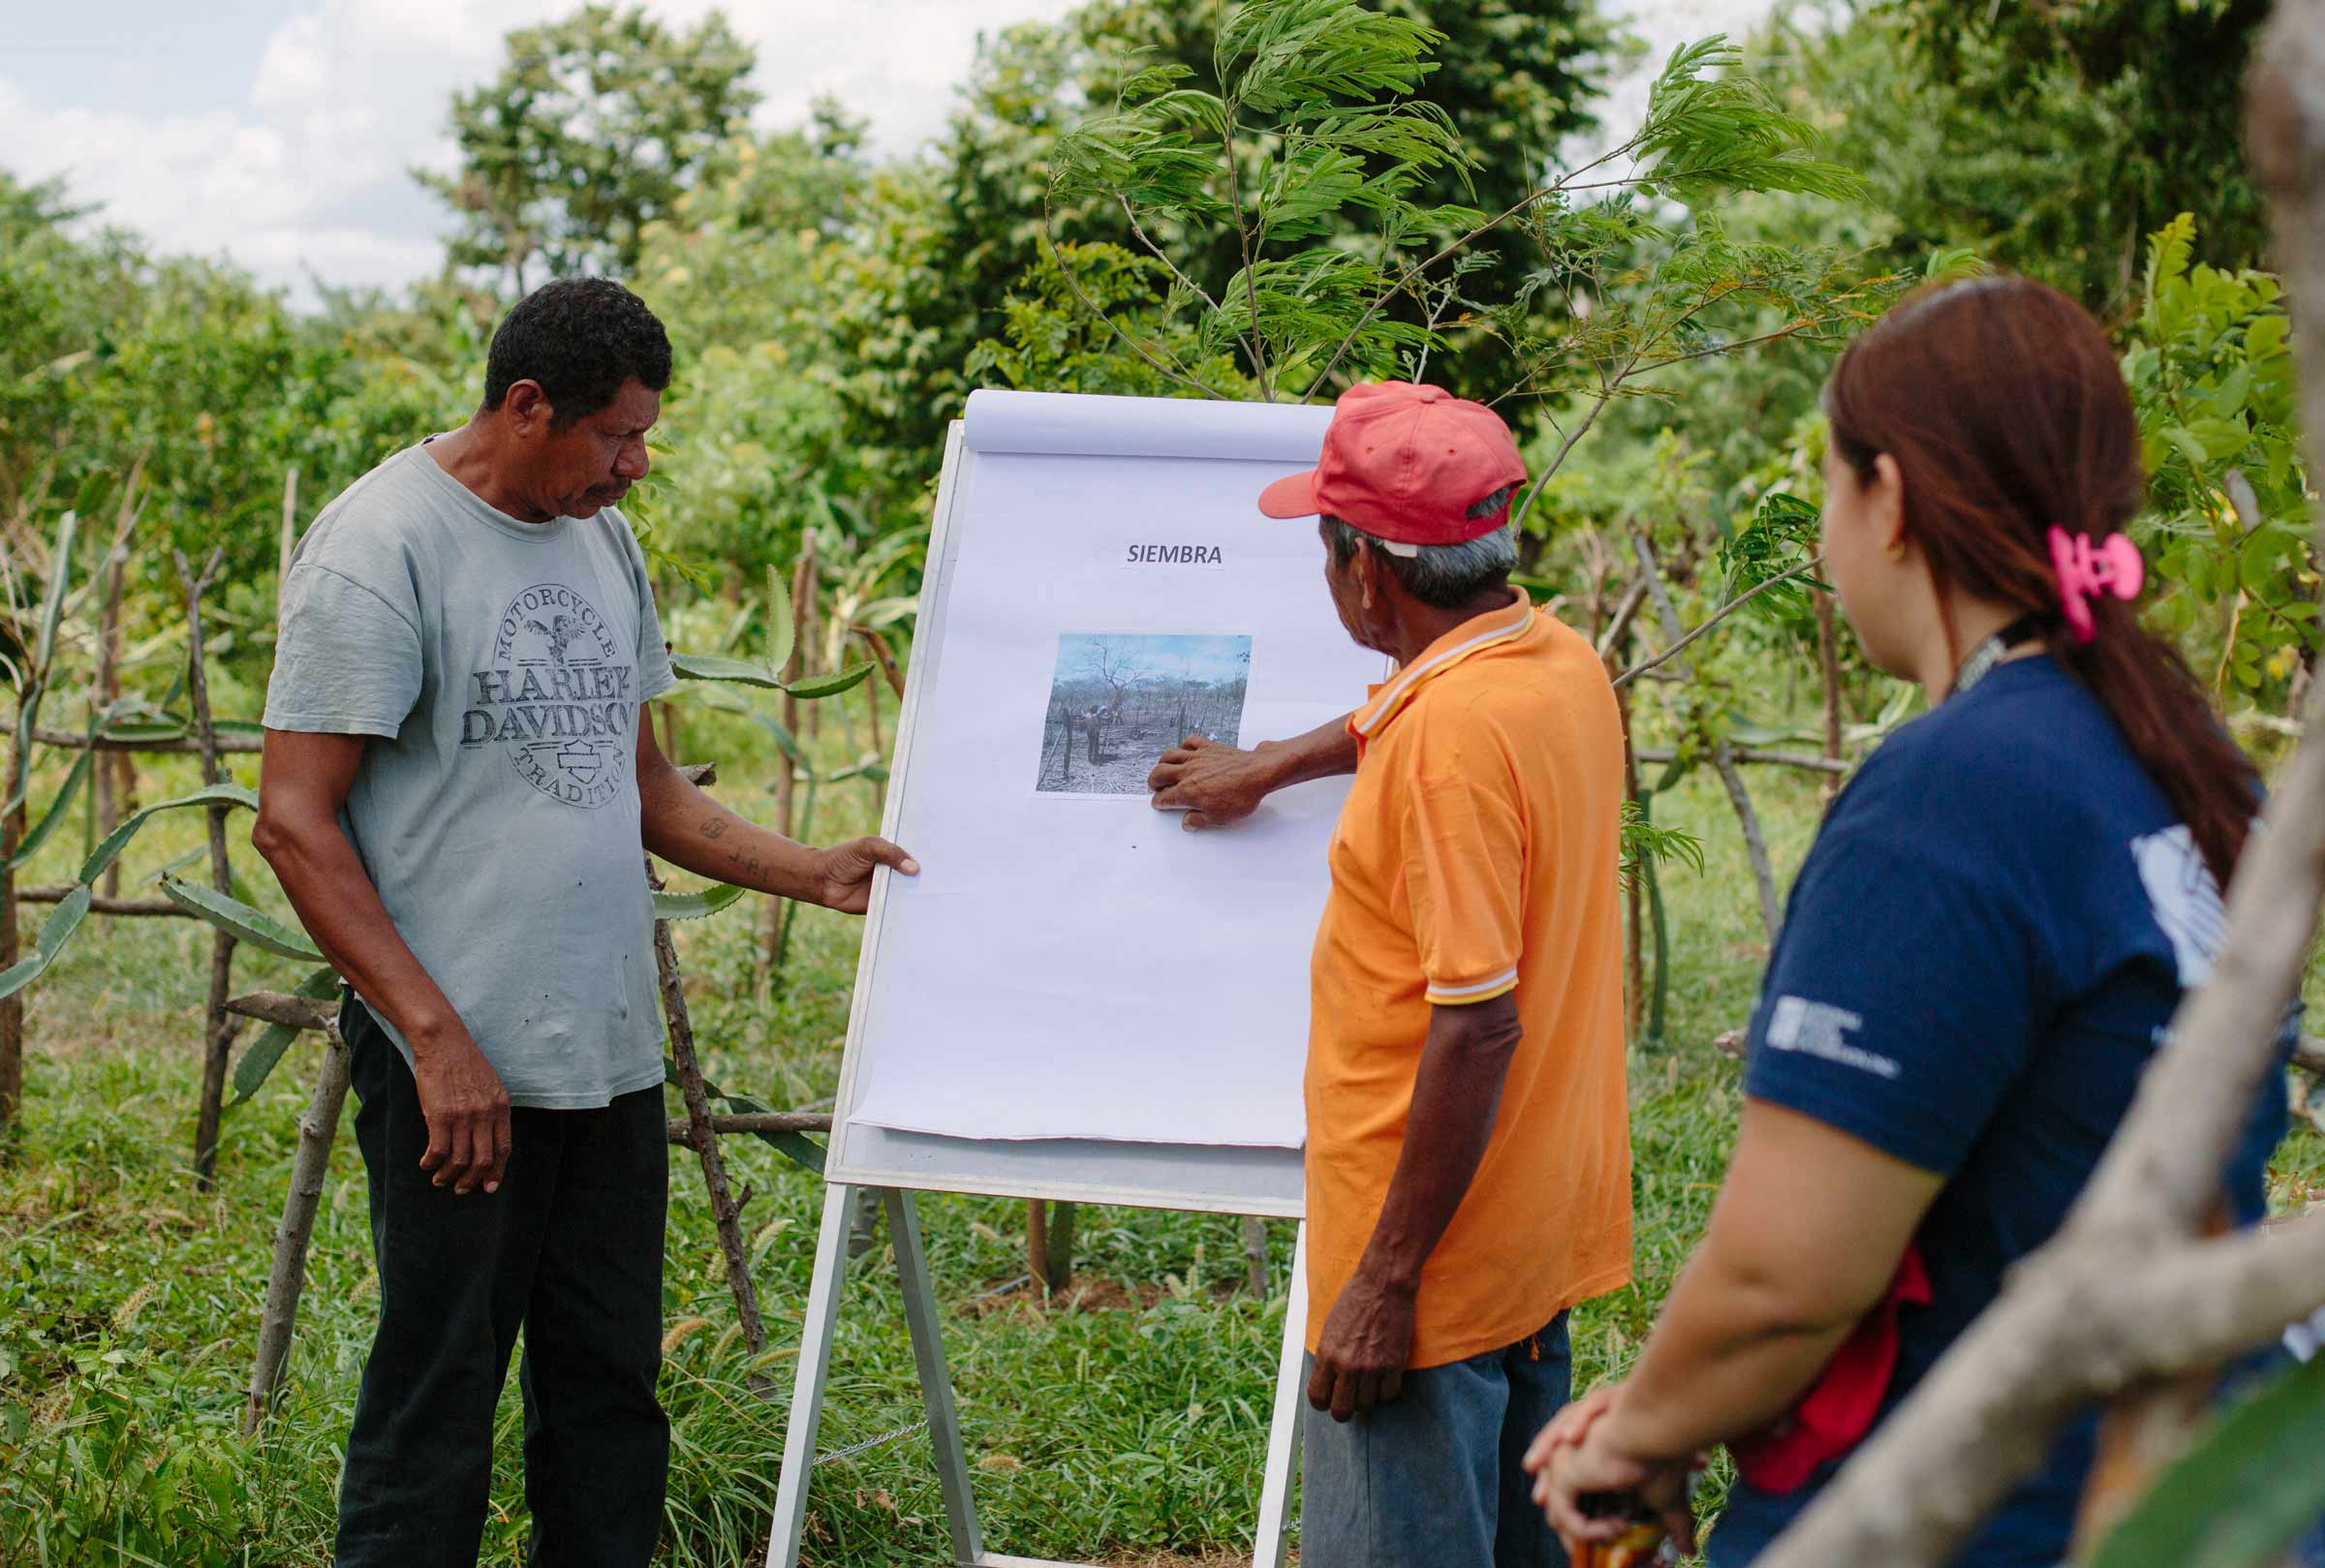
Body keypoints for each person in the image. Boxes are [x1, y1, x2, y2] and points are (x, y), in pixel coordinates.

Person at [1523, 276, 2288, 1566]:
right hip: (2203, 1477)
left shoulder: (1955, 794)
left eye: (1831, 489)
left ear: (1891, 497)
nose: (1826, 542)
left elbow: (1785, 1281)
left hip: (1975, 1510)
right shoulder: (2185, 756)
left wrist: (1629, 1434)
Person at [254, 277, 917, 1568]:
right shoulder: (381, 545)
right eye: (617, 434)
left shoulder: (598, 542)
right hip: (456, 1072)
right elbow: (295, 820)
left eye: (645, 434)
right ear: (525, 405)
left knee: (610, 1398)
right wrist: (437, 1040)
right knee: (437, 1395)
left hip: (604, 1057)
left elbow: (648, 785)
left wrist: (811, 869)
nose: (637, 464)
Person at [1151, 381, 1633, 1566]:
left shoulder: (1446, 749)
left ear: (1368, 573)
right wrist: (1270, 763)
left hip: (1424, 1289)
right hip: (1526, 1238)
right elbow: (1407, 711)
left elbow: (1476, 1028)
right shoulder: (1557, 663)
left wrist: (1380, 1285)